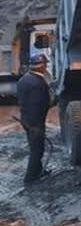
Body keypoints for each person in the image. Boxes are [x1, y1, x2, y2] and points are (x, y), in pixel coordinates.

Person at [16, 54, 54, 183]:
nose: (46, 67)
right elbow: (38, 105)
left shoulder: (24, 79)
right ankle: (30, 177)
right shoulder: (38, 83)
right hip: (34, 122)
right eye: (45, 64)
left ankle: (38, 171)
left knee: (36, 147)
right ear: (42, 66)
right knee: (37, 149)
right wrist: (35, 127)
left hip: (27, 119)